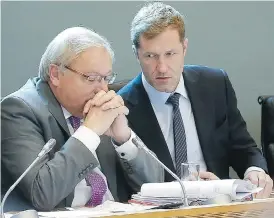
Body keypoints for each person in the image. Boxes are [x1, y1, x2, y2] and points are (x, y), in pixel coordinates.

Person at [118, 2, 273, 198]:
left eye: (170, 54)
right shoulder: (122, 107)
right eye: (150, 56)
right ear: (136, 54)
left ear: (184, 48)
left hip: (219, 206)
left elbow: (242, 147)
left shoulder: (215, 84)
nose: (162, 67)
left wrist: (254, 170)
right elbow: (127, 184)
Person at [1, 27, 164, 211]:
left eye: (106, 78)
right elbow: (41, 194)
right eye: (91, 78)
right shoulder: (19, 110)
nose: (102, 89)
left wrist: (124, 138)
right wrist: (90, 132)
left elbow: (156, 188)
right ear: (55, 74)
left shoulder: (103, 107)